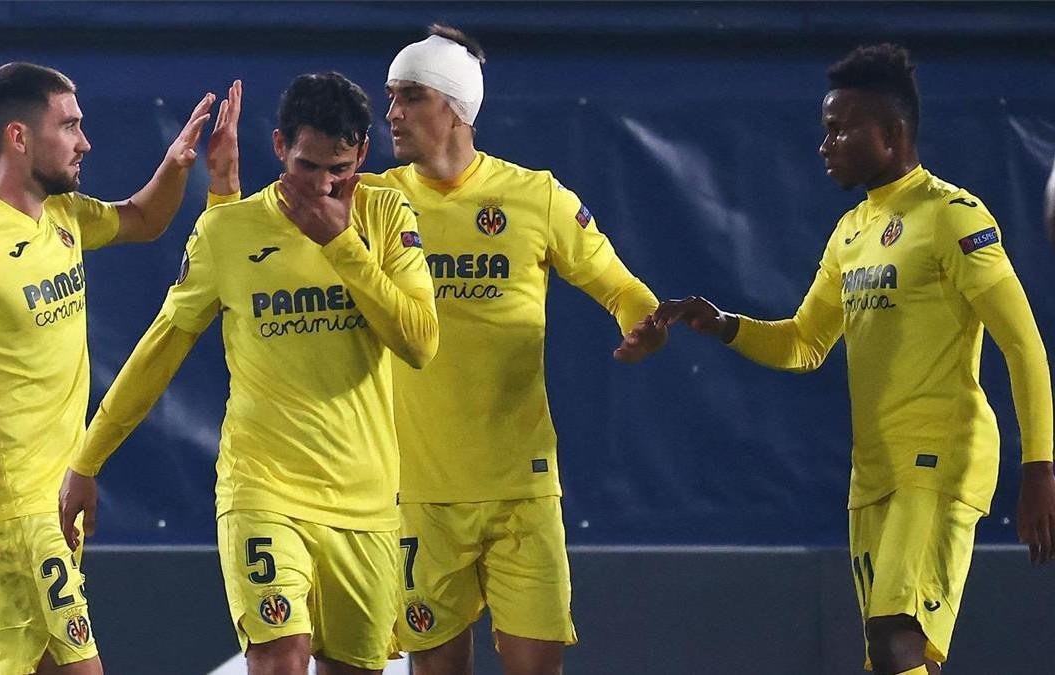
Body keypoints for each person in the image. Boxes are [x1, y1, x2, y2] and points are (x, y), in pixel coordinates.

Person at [646, 44, 1055, 675]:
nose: (825, 143)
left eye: (840, 128)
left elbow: (1023, 343)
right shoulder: (850, 232)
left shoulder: (953, 216)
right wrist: (723, 325)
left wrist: (1039, 468)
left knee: (896, 633)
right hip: (874, 471)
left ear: (891, 134)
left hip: (940, 457)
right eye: (824, 129)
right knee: (892, 651)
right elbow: (805, 344)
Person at [0, 62, 238, 675]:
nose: (85, 141)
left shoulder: (65, 217)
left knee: (23, 664)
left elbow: (144, 219)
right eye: (70, 125)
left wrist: (179, 163)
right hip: (9, 502)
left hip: (53, 496)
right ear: (19, 137)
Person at [58, 72, 438, 675]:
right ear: (279, 144)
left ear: (363, 153)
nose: (322, 184)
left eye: (338, 168)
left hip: (365, 502)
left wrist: (344, 246)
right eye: (307, 165)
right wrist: (87, 460)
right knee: (279, 657)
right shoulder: (229, 231)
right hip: (264, 488)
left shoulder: (387, 215)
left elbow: (419, 343)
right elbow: (159, 351)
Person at [357, 25, 666, 675]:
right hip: (418, 494)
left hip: (521, 494)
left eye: (409, 96)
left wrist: (642, 323)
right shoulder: (374, 202)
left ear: (454, 107)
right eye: (389, 98)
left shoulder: (535, 197)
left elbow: (621, 287)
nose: (391, 113)